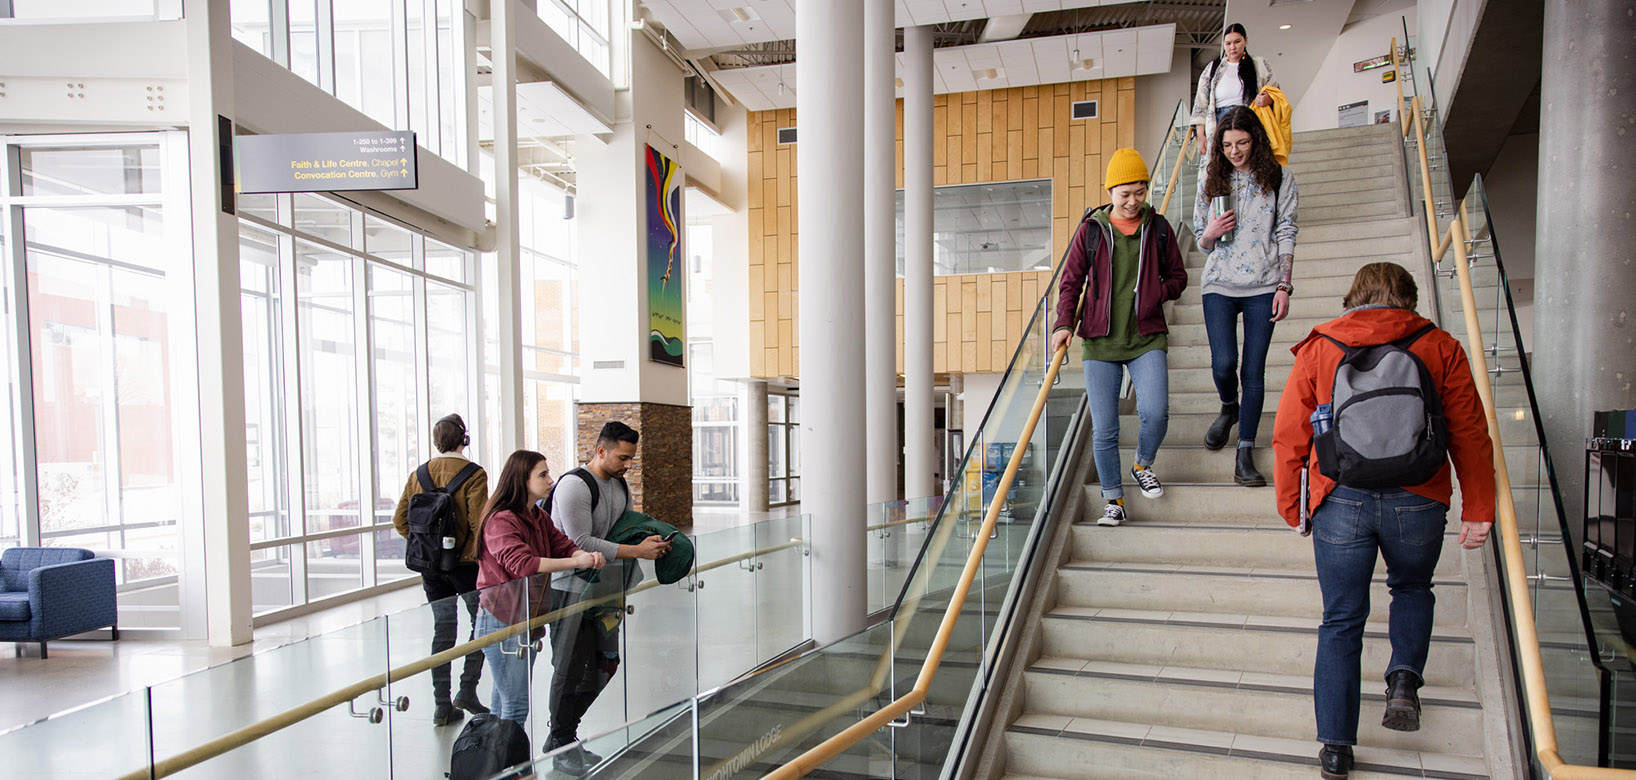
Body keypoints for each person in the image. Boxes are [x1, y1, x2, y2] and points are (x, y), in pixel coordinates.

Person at [1271, 263, 1495, 780]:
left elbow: (1289, 435)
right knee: (1413, 587)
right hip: (1418, 498)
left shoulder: (1321, 346)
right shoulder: (1440, 346)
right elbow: (1469, 432)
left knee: (1341, 621)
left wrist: (1293, 504)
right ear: (1410, 299)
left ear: (1354, 297)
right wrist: (1478, 508)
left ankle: (1335, 749)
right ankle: (1402, 682)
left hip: (1341, 499)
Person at [1051, 149, 1188, 527]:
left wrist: (1157, 293)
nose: (1132, 201)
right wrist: (1063, 323)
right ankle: (1114, 500)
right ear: (1110, 191)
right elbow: (1070, 282)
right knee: (1105, 427)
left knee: (1156, 412)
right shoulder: (1092, 230)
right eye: (1125, 193)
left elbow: (1179, 277)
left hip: (1146, 337)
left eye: (1140, 192)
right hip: (1100, 340)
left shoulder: (1159, 228)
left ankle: (1143, 464)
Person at [545, 421, 671, 772]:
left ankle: (564, 735)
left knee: (606, 664)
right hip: (569, 590)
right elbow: (579, 543)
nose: (628, 464)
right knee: (569, 669)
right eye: (622, 457)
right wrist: (636, 552)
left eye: (631, 458)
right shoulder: (573, 486)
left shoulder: (618, 484)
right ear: (600, 450)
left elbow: (625, 526)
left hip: (604, 591)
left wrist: (655, 540)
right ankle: (560, 741)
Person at [1193, 106, 1298, 486]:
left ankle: (1245, 452)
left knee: (1253, 370)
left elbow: (1286, 230)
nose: (1235, 151)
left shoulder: (1279, 178)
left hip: (1264, 283)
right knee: (1224, 364)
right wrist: (1210, 232)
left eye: (1242, 143)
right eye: (1227, 144)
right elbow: (1200, 239)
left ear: (1256, 140)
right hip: (1219, 281)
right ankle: (1228, 408)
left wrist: (1284, 284)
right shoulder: (1211, 176)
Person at [473, 451, 606, 728]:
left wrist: (584, 554)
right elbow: (522, 564)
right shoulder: (501, 520)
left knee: (503, 704)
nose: (550, 480)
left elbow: (562, 543)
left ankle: (497, 766)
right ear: (521, 480)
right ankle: (512, 769)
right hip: (502, 620)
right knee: (515, 705)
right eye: (543, 474)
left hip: (525, 618)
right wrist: (576, 560)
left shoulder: (536, 515)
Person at [389, 413, 490, 727]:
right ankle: (467, 690)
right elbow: (478, 525)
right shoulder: (474, 474)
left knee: (442, 631)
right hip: (465, 566)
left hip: (430, 567)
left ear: (436, 441)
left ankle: (441, 706)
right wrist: (464, 552)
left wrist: (429, 547)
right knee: (482, 626)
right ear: (464, 440)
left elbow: (400, 522)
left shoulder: (419, 473)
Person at [1190, 23, 1280, 157]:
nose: (1232, 47)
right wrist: (1200, 134)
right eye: (1228, 43)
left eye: (1237, 42)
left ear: (1245, 40)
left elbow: (1276, 92)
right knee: (1220, 167)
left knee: (1251, 163)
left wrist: (1267, 98)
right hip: (1218, 122)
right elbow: (1200, 102)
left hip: (1249, 122)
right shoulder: (1213, 68)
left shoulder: (1259, 64)